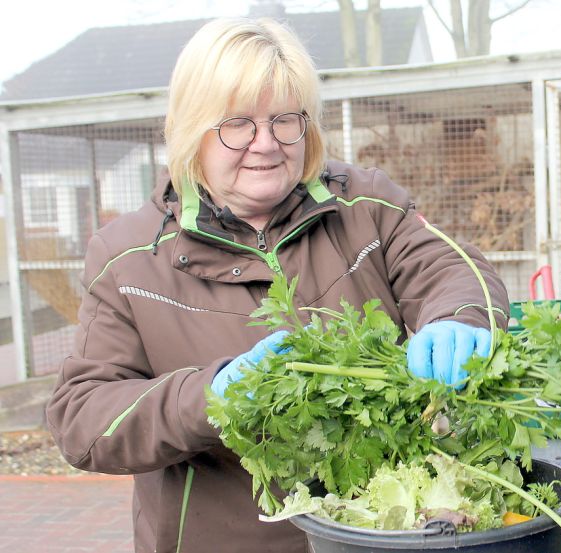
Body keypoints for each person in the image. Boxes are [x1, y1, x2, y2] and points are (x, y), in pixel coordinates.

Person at [45, 17, 509, 553]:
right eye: (237, 124)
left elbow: (454, 268)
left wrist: (458, 316)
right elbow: (81, 419)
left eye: (285, 120)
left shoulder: (364, 205)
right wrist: (208, 397)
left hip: (375, 532)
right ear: (192, 127)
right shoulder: (129, 259)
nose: (265, 144)